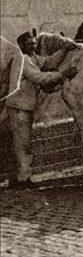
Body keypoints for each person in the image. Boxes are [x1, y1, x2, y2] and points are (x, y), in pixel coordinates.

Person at [4, 31, 77, 188]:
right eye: (29, 44)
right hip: (19, 108)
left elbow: (48, 62)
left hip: (24, 107)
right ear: (21, 45)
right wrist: (63, 74)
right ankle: (23, 179)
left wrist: (64, 48)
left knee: (22, 143)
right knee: (22, 144)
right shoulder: (23, 59)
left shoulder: (32, 58)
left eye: (34, 44)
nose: (33, 46)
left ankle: (19, 177)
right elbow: (39, 77)